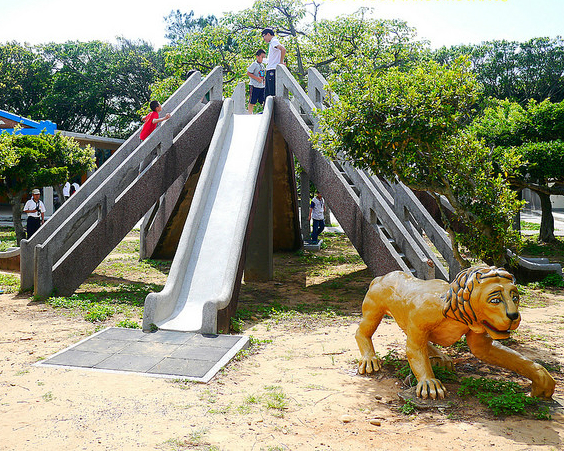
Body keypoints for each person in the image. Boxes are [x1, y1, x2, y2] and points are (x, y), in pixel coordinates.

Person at [261, 28, 286, 98]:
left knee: (271, 93)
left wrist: (281, 63)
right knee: (267, 93)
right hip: (270, 69)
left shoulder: (274, 41)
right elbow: (270, 60)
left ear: (268, 34)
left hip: (273, 70)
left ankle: (273, 109)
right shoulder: (272, 43)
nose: (263, 38)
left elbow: (283, 49)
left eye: (264, 36)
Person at [247, 49, 266, 114]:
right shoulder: (254, 64)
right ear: (257, 56)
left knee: (263, 100)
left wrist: (264, 81)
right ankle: (249, 114)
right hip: (254, 85)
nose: (263, 59)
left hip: (261, 86)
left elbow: (263, 75)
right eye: (262, 57)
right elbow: (249, 73)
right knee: (252, 101)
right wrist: (256, 78)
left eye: (264, 57)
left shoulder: (262, 65)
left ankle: (265, 112)